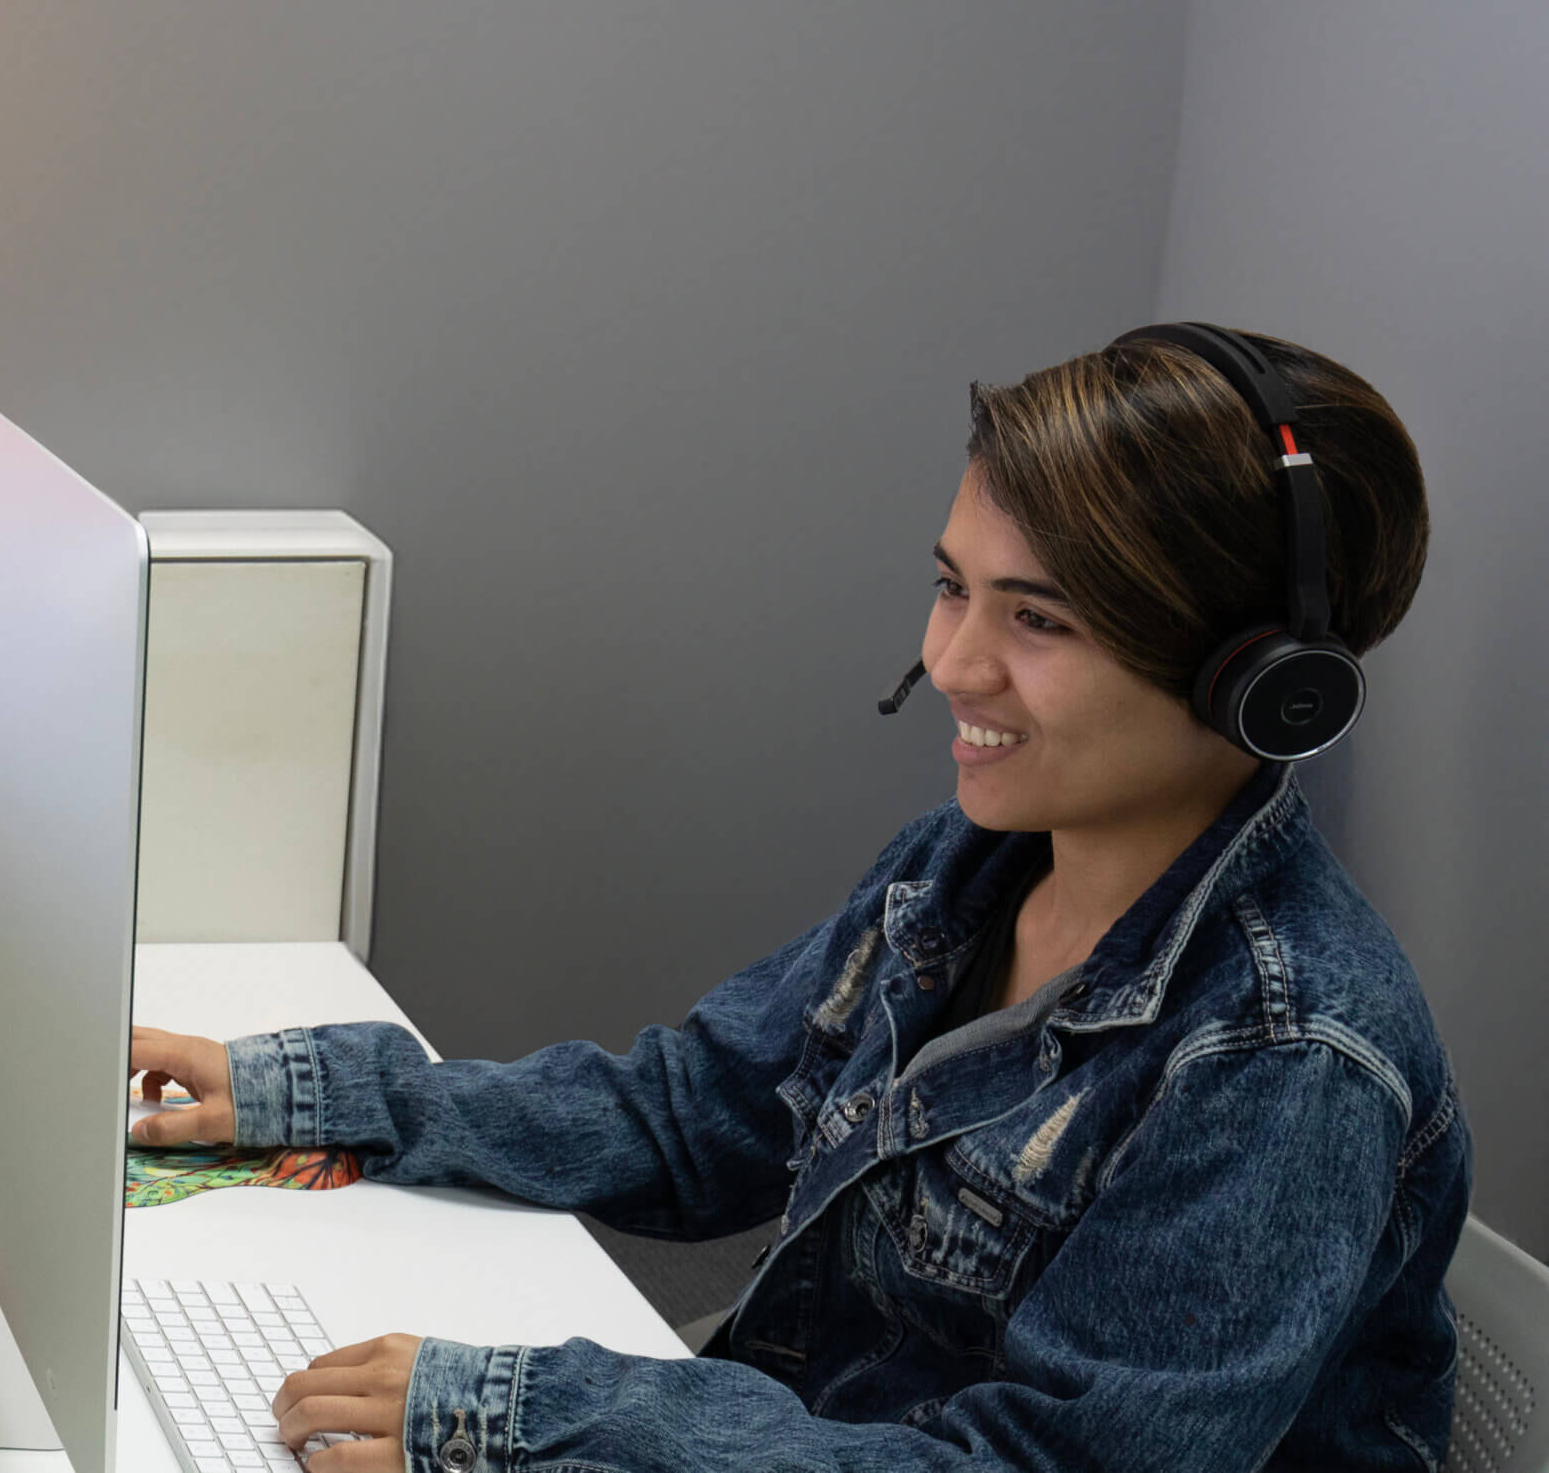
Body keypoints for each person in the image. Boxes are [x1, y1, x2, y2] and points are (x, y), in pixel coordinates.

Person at [129, 328, 1467, 1472]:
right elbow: (686, 1117)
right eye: (953, 590)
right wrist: (320, 1095)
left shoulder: (1288, 1060)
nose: (953, 664)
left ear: (1265, 684)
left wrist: (543, 1416)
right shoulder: (961, 870)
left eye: (1039, 622)